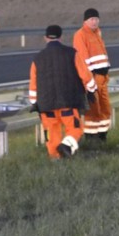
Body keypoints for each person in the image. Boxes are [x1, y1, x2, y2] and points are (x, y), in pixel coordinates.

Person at [29, 25, 97, 159]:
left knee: (51, 135)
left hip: (46, 105)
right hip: (69, 102)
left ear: (45, 38)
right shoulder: (72, 53)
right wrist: (92, 89)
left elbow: (33, 84)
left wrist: (34, 102)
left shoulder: (37, 58)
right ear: (61, 37)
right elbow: (85, 75)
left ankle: (55, 159)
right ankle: (66, 146)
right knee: (75, 129)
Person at [73, 8, 112, 142]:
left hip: (102, 77)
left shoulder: (97, 33)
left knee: (105, 108)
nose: (95, 21)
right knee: (93, 110)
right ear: (86, 21)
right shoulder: (81, 35)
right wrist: (89, 83)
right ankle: (92, 138)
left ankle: (103, 135)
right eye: (92, 19)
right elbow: (83, 60)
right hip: (93, 78)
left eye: (96, 19)